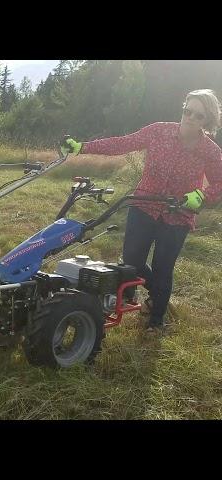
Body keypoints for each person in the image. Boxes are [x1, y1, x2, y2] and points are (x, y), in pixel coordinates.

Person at [61, 89, 222, 331]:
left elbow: (219, 182)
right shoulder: (159, 131)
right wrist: (82, 147)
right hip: (144, 205)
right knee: (133, 261)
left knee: (163, 267)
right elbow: (122, 143)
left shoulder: (210, 151)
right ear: (183, 109)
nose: (190, 118)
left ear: (206, 121)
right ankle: (158, 295)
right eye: (187, 111)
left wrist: (201, 195)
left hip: (177, 214)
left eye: (198, 116)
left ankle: (156, 321)